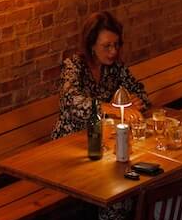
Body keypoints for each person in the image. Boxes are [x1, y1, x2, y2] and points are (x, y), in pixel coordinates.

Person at [51, 11, 150, 140]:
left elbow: (142, 95)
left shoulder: (116, 67)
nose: (113, 51)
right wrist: (113, 109)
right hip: (71, 139)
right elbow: (72, 103)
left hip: (104, 136)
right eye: (107, 46)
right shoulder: (73, 66)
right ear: (91, 45)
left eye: (116, 44)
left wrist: (136, 102)